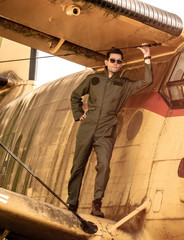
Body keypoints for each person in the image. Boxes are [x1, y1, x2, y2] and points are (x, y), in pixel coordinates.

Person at [67, 44, 153, 218]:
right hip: (87, 126)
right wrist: (78, 114)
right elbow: (75, 95)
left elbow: (147, 81)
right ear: (106, 62)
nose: (115, 63)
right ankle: (72, 203)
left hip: (107, 129)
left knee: (104, 166)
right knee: (78, 166)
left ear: (121, 64)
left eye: (119, 61)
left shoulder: (124, 84)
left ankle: (97, 204)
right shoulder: (93, 79)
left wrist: (147, 57)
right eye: (112, 60)